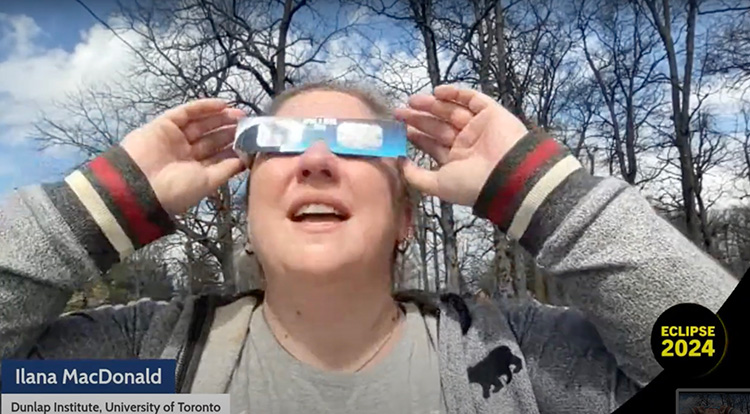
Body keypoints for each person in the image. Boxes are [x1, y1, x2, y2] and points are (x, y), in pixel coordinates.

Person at [0, 81, 737, 414]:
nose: (318, 162)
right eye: (282, 144)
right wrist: (96, 207)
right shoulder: (144, 365)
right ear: (248, 208)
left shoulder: (522, 366)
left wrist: (539, 191)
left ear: (406, 219)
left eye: (356, 145)